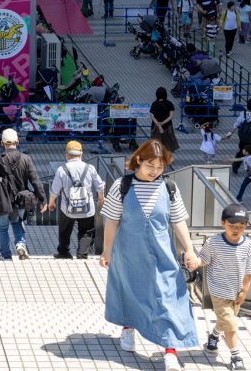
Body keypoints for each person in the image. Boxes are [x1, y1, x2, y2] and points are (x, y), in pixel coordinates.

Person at [100, 140, 199, 370]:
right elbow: (112, 221)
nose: (155, 171)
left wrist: (189, 248)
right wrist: (106, 250)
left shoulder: (169, 187)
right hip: (128, 252)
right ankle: (128, 327)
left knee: (167, 298)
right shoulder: (122, 185)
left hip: (162, 254)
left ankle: (170, 350)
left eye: (160, 167)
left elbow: (178, 221)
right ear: (138, 160)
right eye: (150, 165)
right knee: (129, 290)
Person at [0, 128, 45, 260]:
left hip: (1, 201)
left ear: (2, 143)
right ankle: (21, 244)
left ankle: (5, 255)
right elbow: (35, 181)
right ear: (17, 141)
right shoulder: (26, 159)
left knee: (2, 228)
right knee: (17, 223)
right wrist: (42, 199)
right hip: (21, 200)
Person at [48, 140, 105, 260]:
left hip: (67, 208)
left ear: (67, 154)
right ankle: (82, 254)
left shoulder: (62, 169)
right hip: (87, 207)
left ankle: (64, 253)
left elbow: (55, 190)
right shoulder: (90, 168)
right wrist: (101, 199)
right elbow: (100, 186)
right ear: (81, 154)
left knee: (64, 230)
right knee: (86, 231)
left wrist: (51, 202)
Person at [150, 87, 180, 151]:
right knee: (168, 144)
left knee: (156, 144)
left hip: (155, 127)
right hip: (167, 126)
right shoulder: (169, 104)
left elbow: (152, 116)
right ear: (165, 94)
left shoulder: (154, 104)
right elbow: (171, 116)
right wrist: (162, 123)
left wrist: (159, 125)